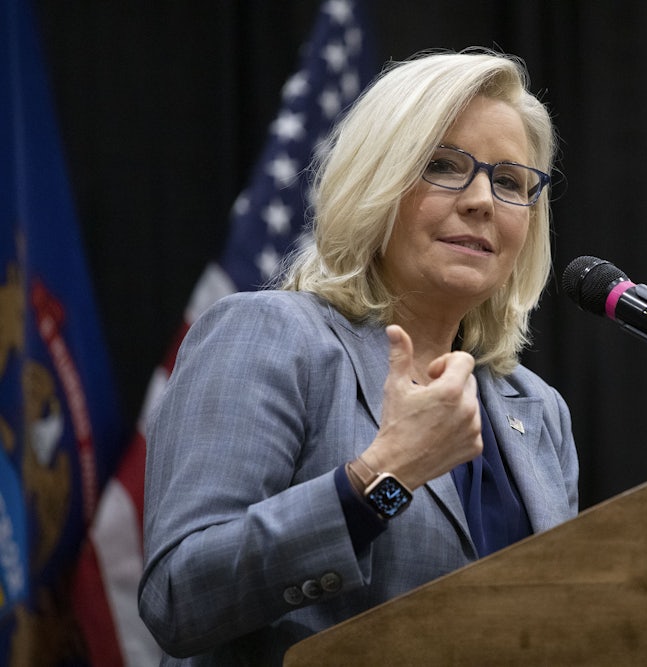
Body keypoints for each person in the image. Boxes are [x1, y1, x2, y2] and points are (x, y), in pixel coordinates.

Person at [138, 49, 579, 665]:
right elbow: (179, 597)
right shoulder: (270, 337)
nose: (483, 199)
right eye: (444, 166)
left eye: (510, 182)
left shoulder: (536, 408)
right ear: (378, 181)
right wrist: (382, 479)